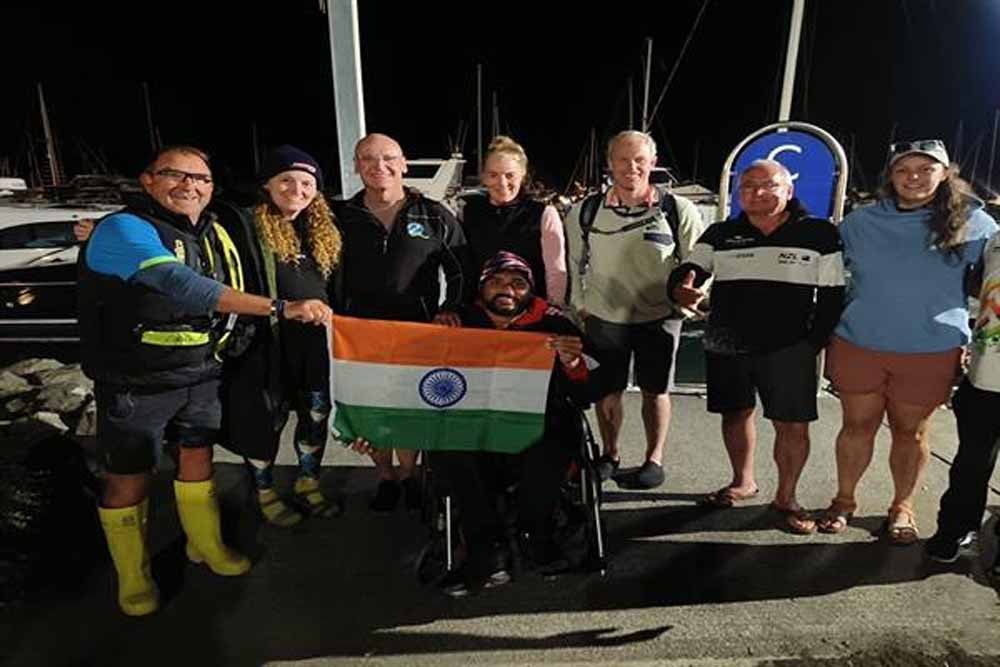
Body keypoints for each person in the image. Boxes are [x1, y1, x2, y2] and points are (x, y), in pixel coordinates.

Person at [79, 145, 331, 616]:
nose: (189, 186)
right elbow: (182, 285)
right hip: (135, 381)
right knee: (129, 478)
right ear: (148, 180)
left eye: (200, 179)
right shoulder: (123, 228)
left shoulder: (212, 230)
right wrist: (280, 308)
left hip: (201, 372)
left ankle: (206, 544)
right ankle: (133, 576)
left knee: (197, 461)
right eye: (175, 175)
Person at [353, 251, 593, 596]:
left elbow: (586, 392)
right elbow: (415, 383)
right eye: (496, 281)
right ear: (481, 288)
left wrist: (572, 363)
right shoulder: (457, 323)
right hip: (471, 425)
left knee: (557, 438)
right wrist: (375, 427)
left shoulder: (555, 325)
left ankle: (536, 533)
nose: (507, 289)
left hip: (539, 424)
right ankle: (486, 546)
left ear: (531, 290)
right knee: (447, 447)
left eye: (518, 283)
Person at [820, 139, 997, 543]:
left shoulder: (977, 223)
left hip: (930, 350)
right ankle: (844, 501)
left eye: (925, 169)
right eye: (903, 169)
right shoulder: (860, 222)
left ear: (944, 174)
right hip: (858, 343)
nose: (913, 177)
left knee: (910, 433)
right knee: (856, 426)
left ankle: (902, 507)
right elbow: (822, 271)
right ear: (891, 176)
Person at [668, 160, 845, 533]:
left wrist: (812, 344)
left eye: (769, 184)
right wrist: (679, 288)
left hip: (790, 345)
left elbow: (832, 295)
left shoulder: (819, 233)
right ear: (738, 193)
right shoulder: (720, 232)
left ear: (789, 190)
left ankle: (787, 497)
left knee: (792, 425)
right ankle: (742, 482)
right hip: (727, 341)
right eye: (748, 185)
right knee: (735, 414)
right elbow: (690, 272)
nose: (758, 192)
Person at [331, 133, 468, 511]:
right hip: (359, 334)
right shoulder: (340, 217)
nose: (380, 166)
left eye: (388, 158)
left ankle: (408, 475)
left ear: (404, 164)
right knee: (373, 411)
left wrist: (450, 307)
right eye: (368, 159)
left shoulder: (433, 214)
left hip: (416, 331)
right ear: (356, 166)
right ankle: (386, 476)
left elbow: (460, 268)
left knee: (408, 409)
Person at [564, 130, 705, 488]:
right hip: (603, 317)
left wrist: (688, 303)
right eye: (623, 160)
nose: (632, 167)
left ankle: (653, 460)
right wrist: (580, 308)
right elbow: (573, 262)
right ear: (610, 163)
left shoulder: (678, 210)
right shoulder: (585, 211)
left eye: (640, 160)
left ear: (653, 163)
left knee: (655, 391)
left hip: (659, 317)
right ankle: (610, 454)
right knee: (607, 392)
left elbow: (700, 264)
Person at [219, 145, 343, 526]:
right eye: (286, 180)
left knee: (316, 414)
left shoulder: (323, 229)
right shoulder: (244, 225)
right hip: (264, 341)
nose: (297, 189)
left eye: (307, 183)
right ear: (267, 185)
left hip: (314, 343)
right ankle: (264, 490)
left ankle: (308, 481)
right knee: (263, 419)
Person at [926, 227, 1000, 573]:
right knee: (971, 462)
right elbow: (975, 287)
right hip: (985, 377)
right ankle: (956, 529)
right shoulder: (994, 240)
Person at [460, 135, 567, 304]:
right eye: (493, 175)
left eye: (509, 175)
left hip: (530, 310)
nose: (502, 183)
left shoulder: (544, 214)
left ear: (523, 175)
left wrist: (554, 308)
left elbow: (555, 271)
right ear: (484, 177)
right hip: (481, 310)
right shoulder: (468, 212)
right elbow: (463, 267)